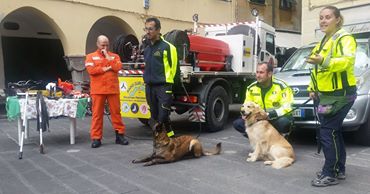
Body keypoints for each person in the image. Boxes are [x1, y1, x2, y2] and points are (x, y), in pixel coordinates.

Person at [307, 6, 357, 187]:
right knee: (333, 132)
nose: (323, 20)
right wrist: (312, 88)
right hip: (326, 96)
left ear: (338, 19)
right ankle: (339, 169)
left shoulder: (344, 38)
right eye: (321, 17)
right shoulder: (324, 41)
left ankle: (330, 173)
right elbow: (316, 69)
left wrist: (324, 60)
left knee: (328, 132)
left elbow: (347, 61)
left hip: (341, 95)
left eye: (328, 17)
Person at [85, 35, 129, 148]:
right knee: (96, 115)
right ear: (97, 44)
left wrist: (109, 58)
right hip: (98, 90)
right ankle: (96, 138)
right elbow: (91, 70)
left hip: (112, 89)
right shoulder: (90, 57)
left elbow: (118, 67)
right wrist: (104, 69)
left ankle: (120, 135)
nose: (104, 47)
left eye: (107, 45)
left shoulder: (114, 56)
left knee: (116, 113)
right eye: (102, 45)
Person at [233, 62, 294, 137]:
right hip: (258, 119)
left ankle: (279, 138)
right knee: (238, 123)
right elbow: (245, 105)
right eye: (257, 72)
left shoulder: (282, 86)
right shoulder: (251, 88)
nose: (258, 75)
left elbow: (287, 106)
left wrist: (270, 114)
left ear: (269, 74)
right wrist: (245, 113)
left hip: (275, 118)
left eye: (261, 72)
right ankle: (258, 138)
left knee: (284, 122)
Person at [143, 17, 178, 137]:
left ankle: (165, 137)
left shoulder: (168, 47)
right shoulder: (147, 49)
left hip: (163, 87)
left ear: (158, 30)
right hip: (150, 87)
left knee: (162, 116)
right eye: (146, 29)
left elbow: (174, 68)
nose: (148, 32)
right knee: (154, 115)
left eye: (151, 29)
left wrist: (169, 85)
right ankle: (170, 137)